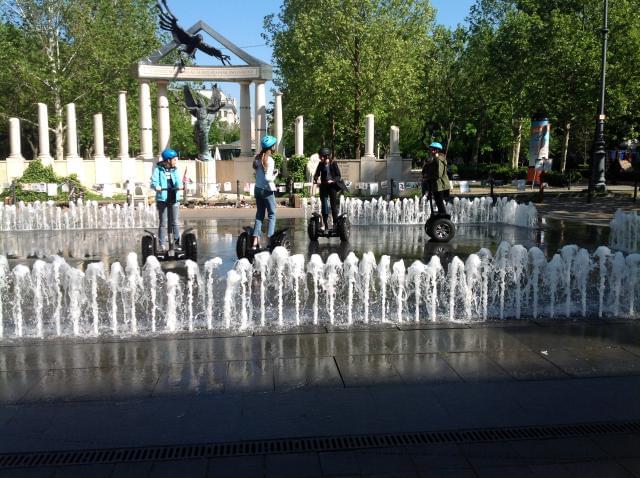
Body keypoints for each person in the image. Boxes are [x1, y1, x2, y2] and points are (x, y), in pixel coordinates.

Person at [151, 148, 183, 250]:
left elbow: (178, 180)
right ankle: (162, 244)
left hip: (174, 197)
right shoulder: (158, 169)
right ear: (168, 160)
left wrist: (180, 185)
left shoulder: (175, 170)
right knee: (163, 222)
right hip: (163, 198)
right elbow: (153, 181)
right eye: (174, 159)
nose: (175, 161)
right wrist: (156, 186)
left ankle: (177, 243)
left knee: (175, 222)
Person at [252, 135, 279, 248]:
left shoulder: (257, 159)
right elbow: (268, 178)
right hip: (267, 190)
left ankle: (254, 242)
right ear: (271, 147)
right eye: (274, 145)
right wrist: (275, 175)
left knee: (260, 215)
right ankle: (269, 240)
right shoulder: (270, 160)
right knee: (272, 215)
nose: (275, 147)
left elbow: (260, 175)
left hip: (257, 189)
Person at [313, 147, 345, 231]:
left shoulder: (333, 163)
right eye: (320, 156)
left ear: (326, 156)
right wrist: (316, 179)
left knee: (333, 205)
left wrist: (332, 181)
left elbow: (338, 176)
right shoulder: (320, 164)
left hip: (332, 186)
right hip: (324, 186)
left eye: (321, 156)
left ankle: (335, 224)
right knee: (324, 205)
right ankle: (326, 225)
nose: (320, 158)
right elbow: (316, 174)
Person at [421, 142, 451, 215]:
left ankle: (443, 218)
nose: (429, 151)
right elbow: (426, 171)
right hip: (436, 185)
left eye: (431, 149)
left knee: (440, 202)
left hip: (440, 185)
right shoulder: (433, 159)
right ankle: (441, 217)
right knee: (438, 202)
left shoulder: (439, 159)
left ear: (436, 150)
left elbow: (439, 174)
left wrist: (428, 178)